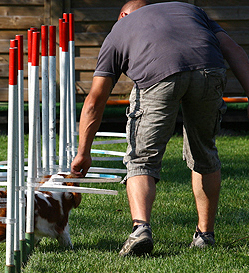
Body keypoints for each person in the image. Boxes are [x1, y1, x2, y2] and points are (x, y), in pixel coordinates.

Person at [71, 0, 249, 256]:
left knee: (141, 159)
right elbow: (234, 50)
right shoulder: (192, 11)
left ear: (122, 15)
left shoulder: (119, 30)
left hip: (159, 76)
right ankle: (205, 235)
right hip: (210, 70)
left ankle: (141, 229)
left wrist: (83, 152)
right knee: (204, 152)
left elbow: (95, 100)